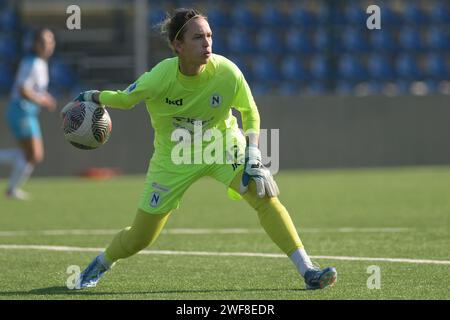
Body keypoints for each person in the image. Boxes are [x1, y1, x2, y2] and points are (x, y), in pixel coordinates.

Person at [70, 8, 337, 290]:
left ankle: (308, 270)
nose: (207, 43)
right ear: (178, 45)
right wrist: (92, 96)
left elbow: (250, 112)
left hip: (222, 145)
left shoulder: (227, 72)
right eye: (198, 38)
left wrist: (254, 154)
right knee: (141, 237)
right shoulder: (159, 77)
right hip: (175, 156)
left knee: (264, 195)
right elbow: (124, 100)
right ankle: (102, 262)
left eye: (209, 36)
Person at [0, 28, 56, 200]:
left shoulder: (41, 63)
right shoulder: (31, 62)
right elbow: (23, 89)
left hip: (26, 111)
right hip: (21, 110)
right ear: (35, 44)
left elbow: (35, 89)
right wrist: (42, 101)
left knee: (29, 155)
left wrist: (46, 98)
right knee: (34, 154)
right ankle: (12, 190)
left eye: (51, 42)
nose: (48, 46)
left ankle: (11, 190)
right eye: (44, 42)